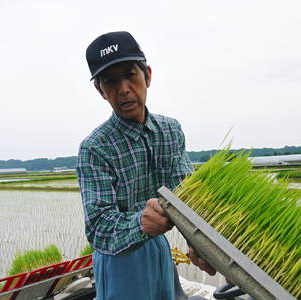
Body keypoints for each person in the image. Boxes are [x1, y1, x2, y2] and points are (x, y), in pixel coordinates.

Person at [77, 31, 214, 300]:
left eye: (131, 75)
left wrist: (200, 245)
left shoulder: (170, 131)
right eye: (111, 81)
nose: (124, 89)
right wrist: (140, 222)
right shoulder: (95, 148)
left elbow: (187, 198)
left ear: (147, 75)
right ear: (100, 90)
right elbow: (98, 227)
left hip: (158, 248)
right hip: (118, 259)